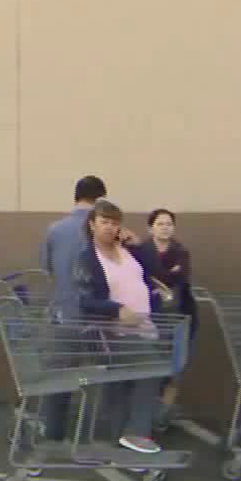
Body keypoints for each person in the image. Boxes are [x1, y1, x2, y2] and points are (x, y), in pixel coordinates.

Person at [76, 200, 167, 455]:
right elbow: (84, 299)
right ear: (92, 225)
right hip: (112, 334)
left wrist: (138, 245)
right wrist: (115, 309)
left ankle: (122, 441)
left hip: (143, 329)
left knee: (123, 384)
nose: (110, 227)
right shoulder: (87, 259)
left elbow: (155, 269)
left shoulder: (127, 251)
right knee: (151, 367)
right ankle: (137, 433)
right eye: (104, 222)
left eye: (114, 222)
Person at [38, 175, 107, 439]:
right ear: (99, 199)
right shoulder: (104, 229)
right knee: (102, 374)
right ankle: (93, 431)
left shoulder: (56, 229)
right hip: (99, 315)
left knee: (60, 373)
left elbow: (47, 268)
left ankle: (53, 430)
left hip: (63, 311)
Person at [146, 208, 197, 423]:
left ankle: (162, 417)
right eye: (160, 224)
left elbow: (179, 277)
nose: (165, 228)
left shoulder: (181, 252)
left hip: (177, 318)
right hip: (148, 318)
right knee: (149, 370)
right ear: (151, 228)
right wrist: (166, 276)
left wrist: (159, 277)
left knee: (173, 371)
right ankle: (145, 415)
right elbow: (141, 277)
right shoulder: (141, 251)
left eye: (169, 224)